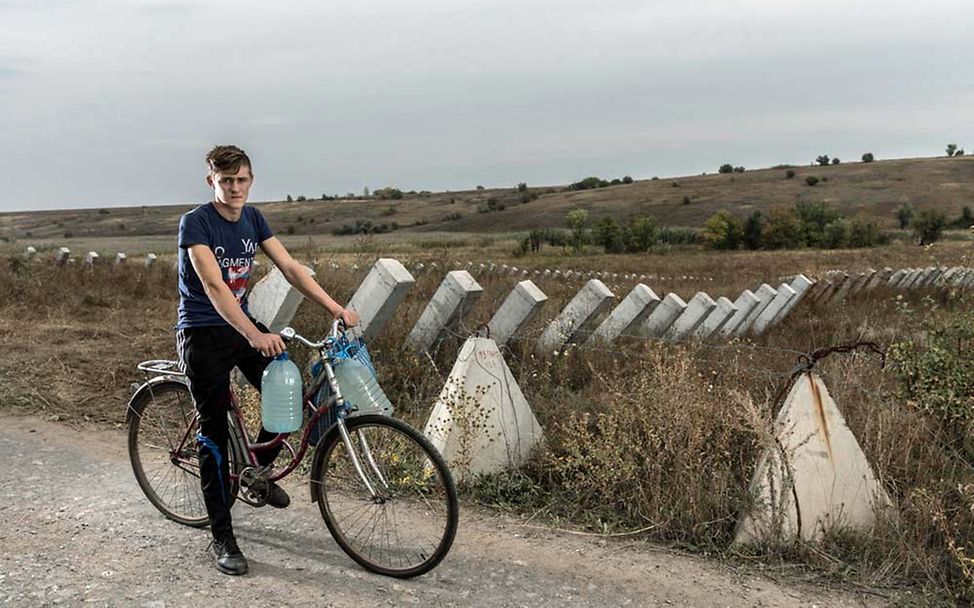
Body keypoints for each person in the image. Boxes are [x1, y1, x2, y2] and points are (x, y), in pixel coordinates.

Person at [175, 145, 359, 575]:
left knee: (288, 393)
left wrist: (335, 307)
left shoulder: (254, 218)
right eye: (226, 181)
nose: (234, 188)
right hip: (203, 333)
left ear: (251, 181)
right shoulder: (195, 223)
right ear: (211, 182)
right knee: (214, 435)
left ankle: (256, 471)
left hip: (242, 326)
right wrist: (255, 334)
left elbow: (291, 268)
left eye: (241, 180)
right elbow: (216, 287)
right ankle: (222, 536)